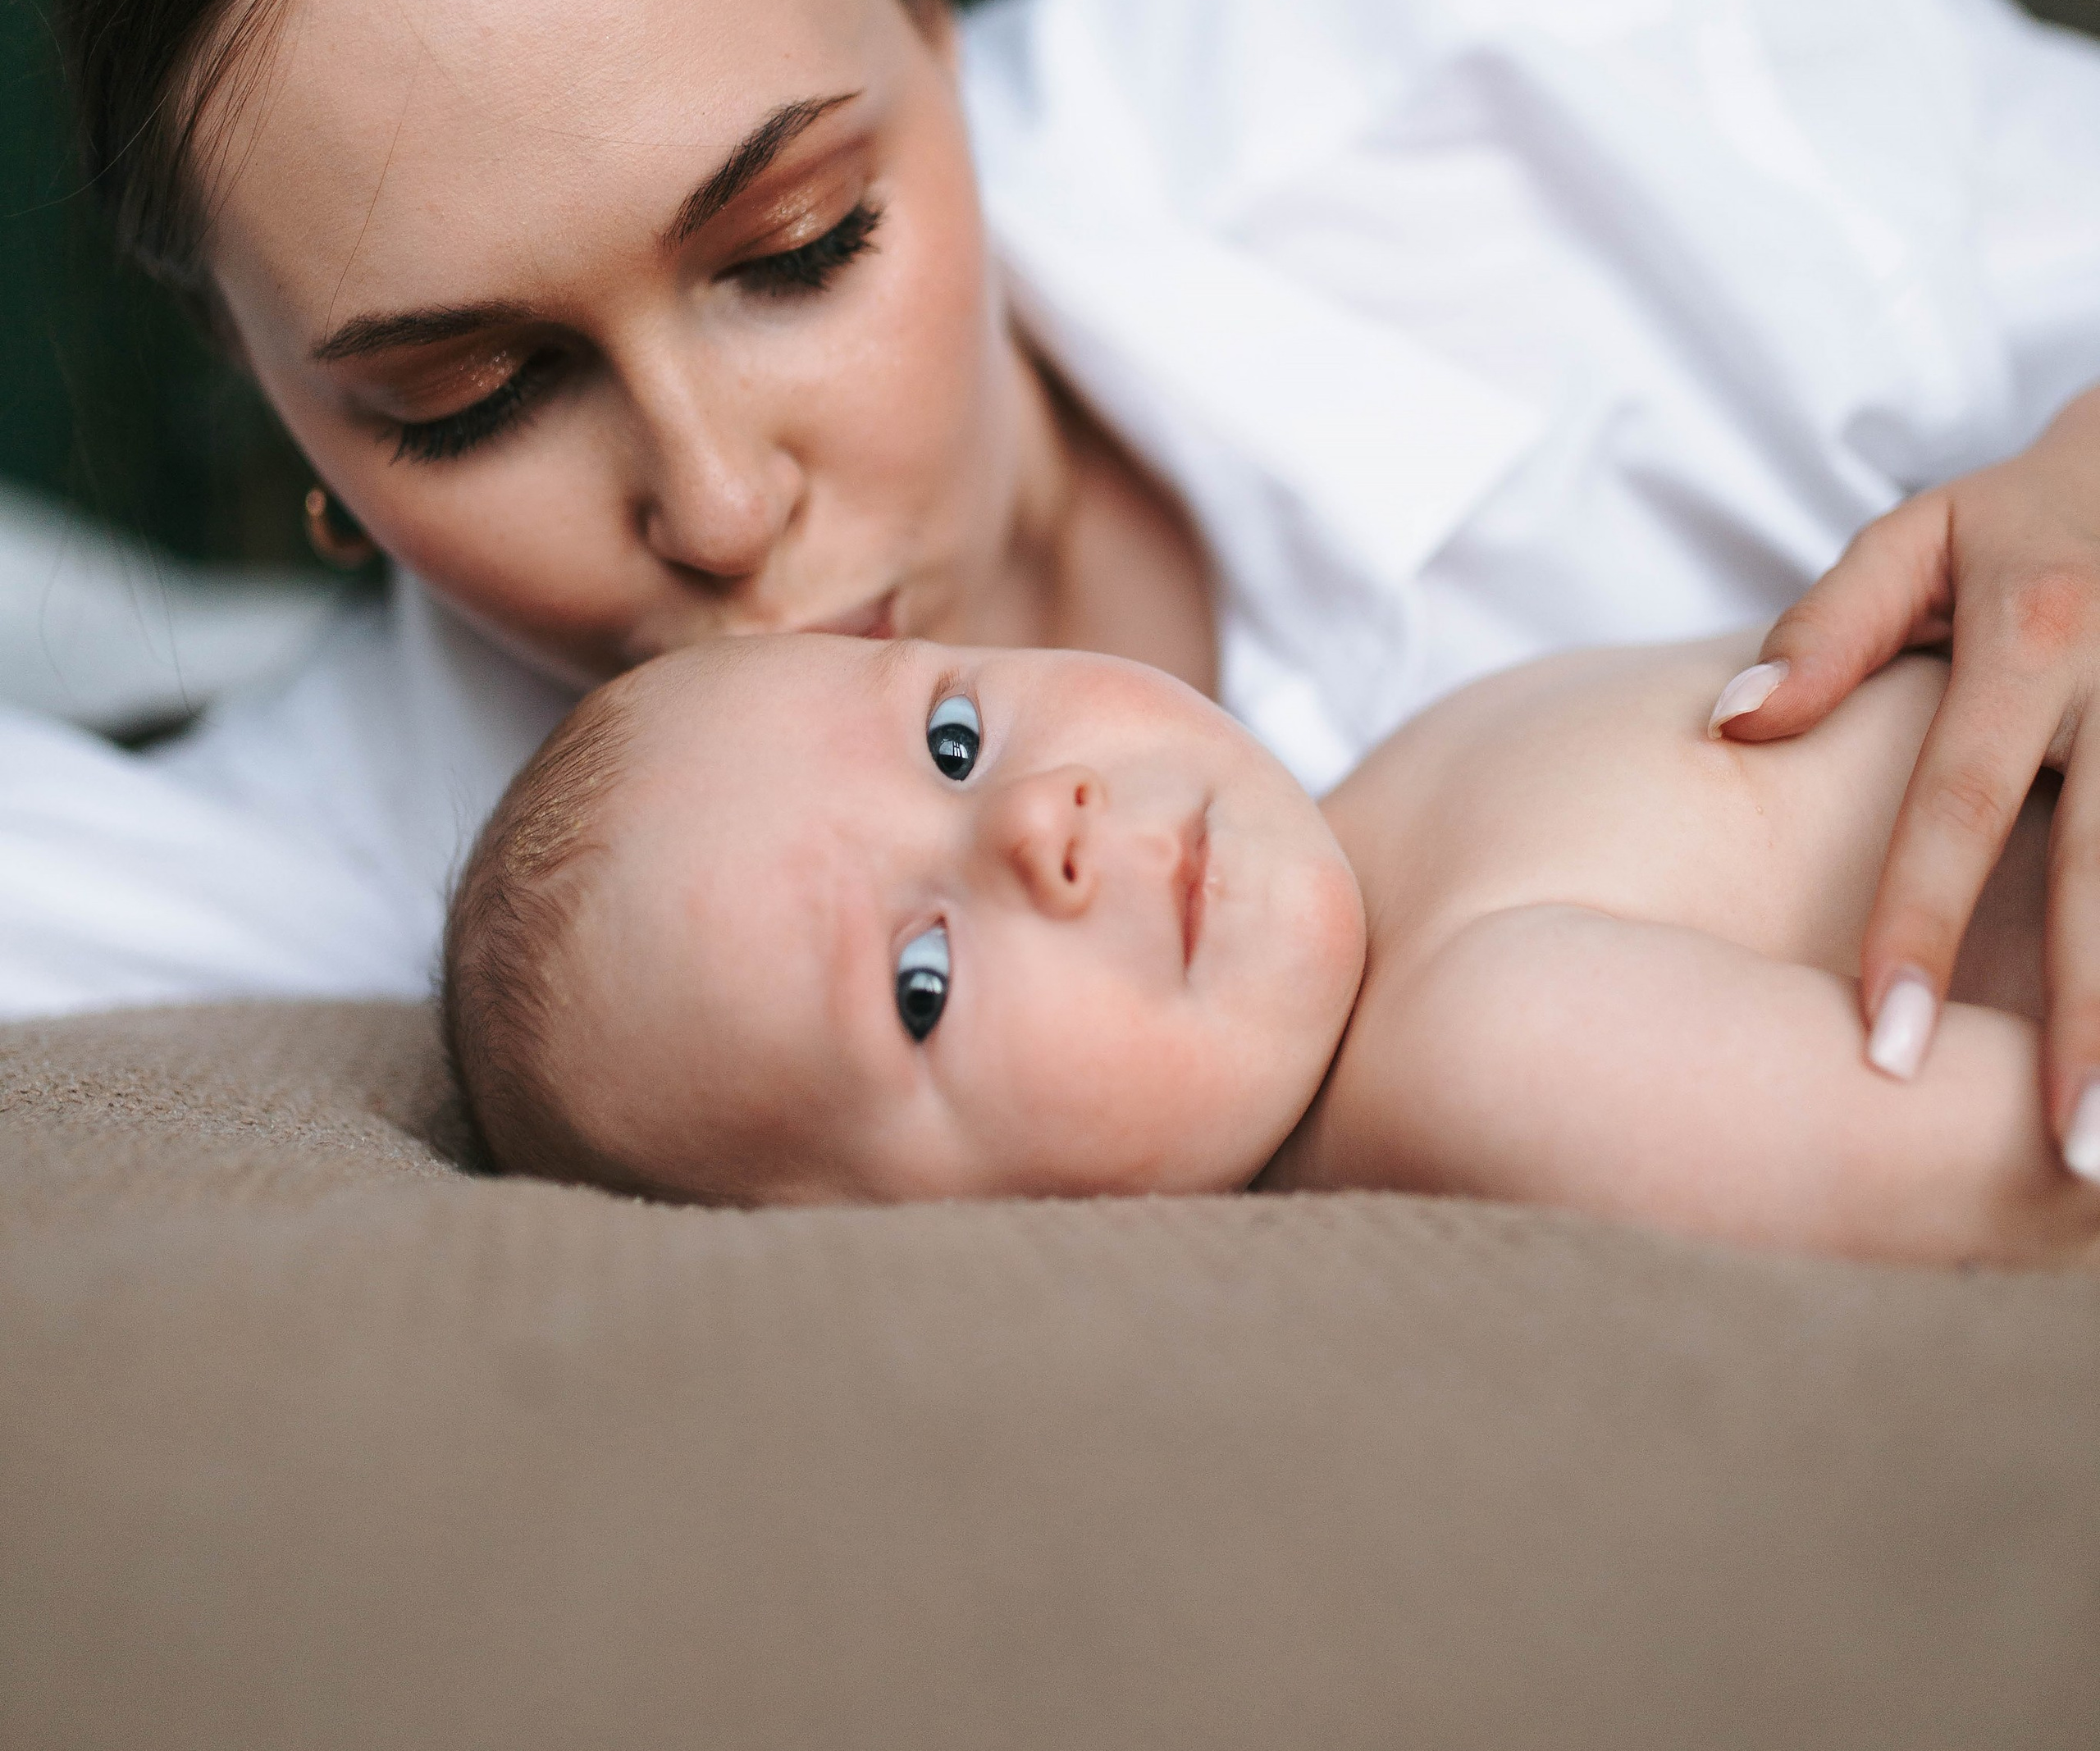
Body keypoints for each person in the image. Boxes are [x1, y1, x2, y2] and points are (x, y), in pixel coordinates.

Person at [11, 0, 2100, 1173]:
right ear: (274, 381)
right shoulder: (370, 865)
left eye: (805, 243)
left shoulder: (1504, 13)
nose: (723, 506)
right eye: (466, 401)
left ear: (930, 2)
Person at [438, 624, 2100, 1264]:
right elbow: (2026, 1169)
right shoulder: (1486, 1053)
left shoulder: (1394, 783)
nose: (1039, 824)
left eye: (952, 738)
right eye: (917, 984)